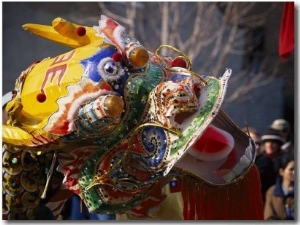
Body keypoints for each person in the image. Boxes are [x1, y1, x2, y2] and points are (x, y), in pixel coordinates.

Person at [255, 129, 285, 203]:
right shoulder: (259, 160)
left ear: (279, 145)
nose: (270, 145)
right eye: (267, 142)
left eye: (273, 142)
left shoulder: (284, 160)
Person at [264, 156, 294, 220]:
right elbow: (269, 217)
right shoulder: (272, 192)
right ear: (281, 171)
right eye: (291, 169)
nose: (294, 172)